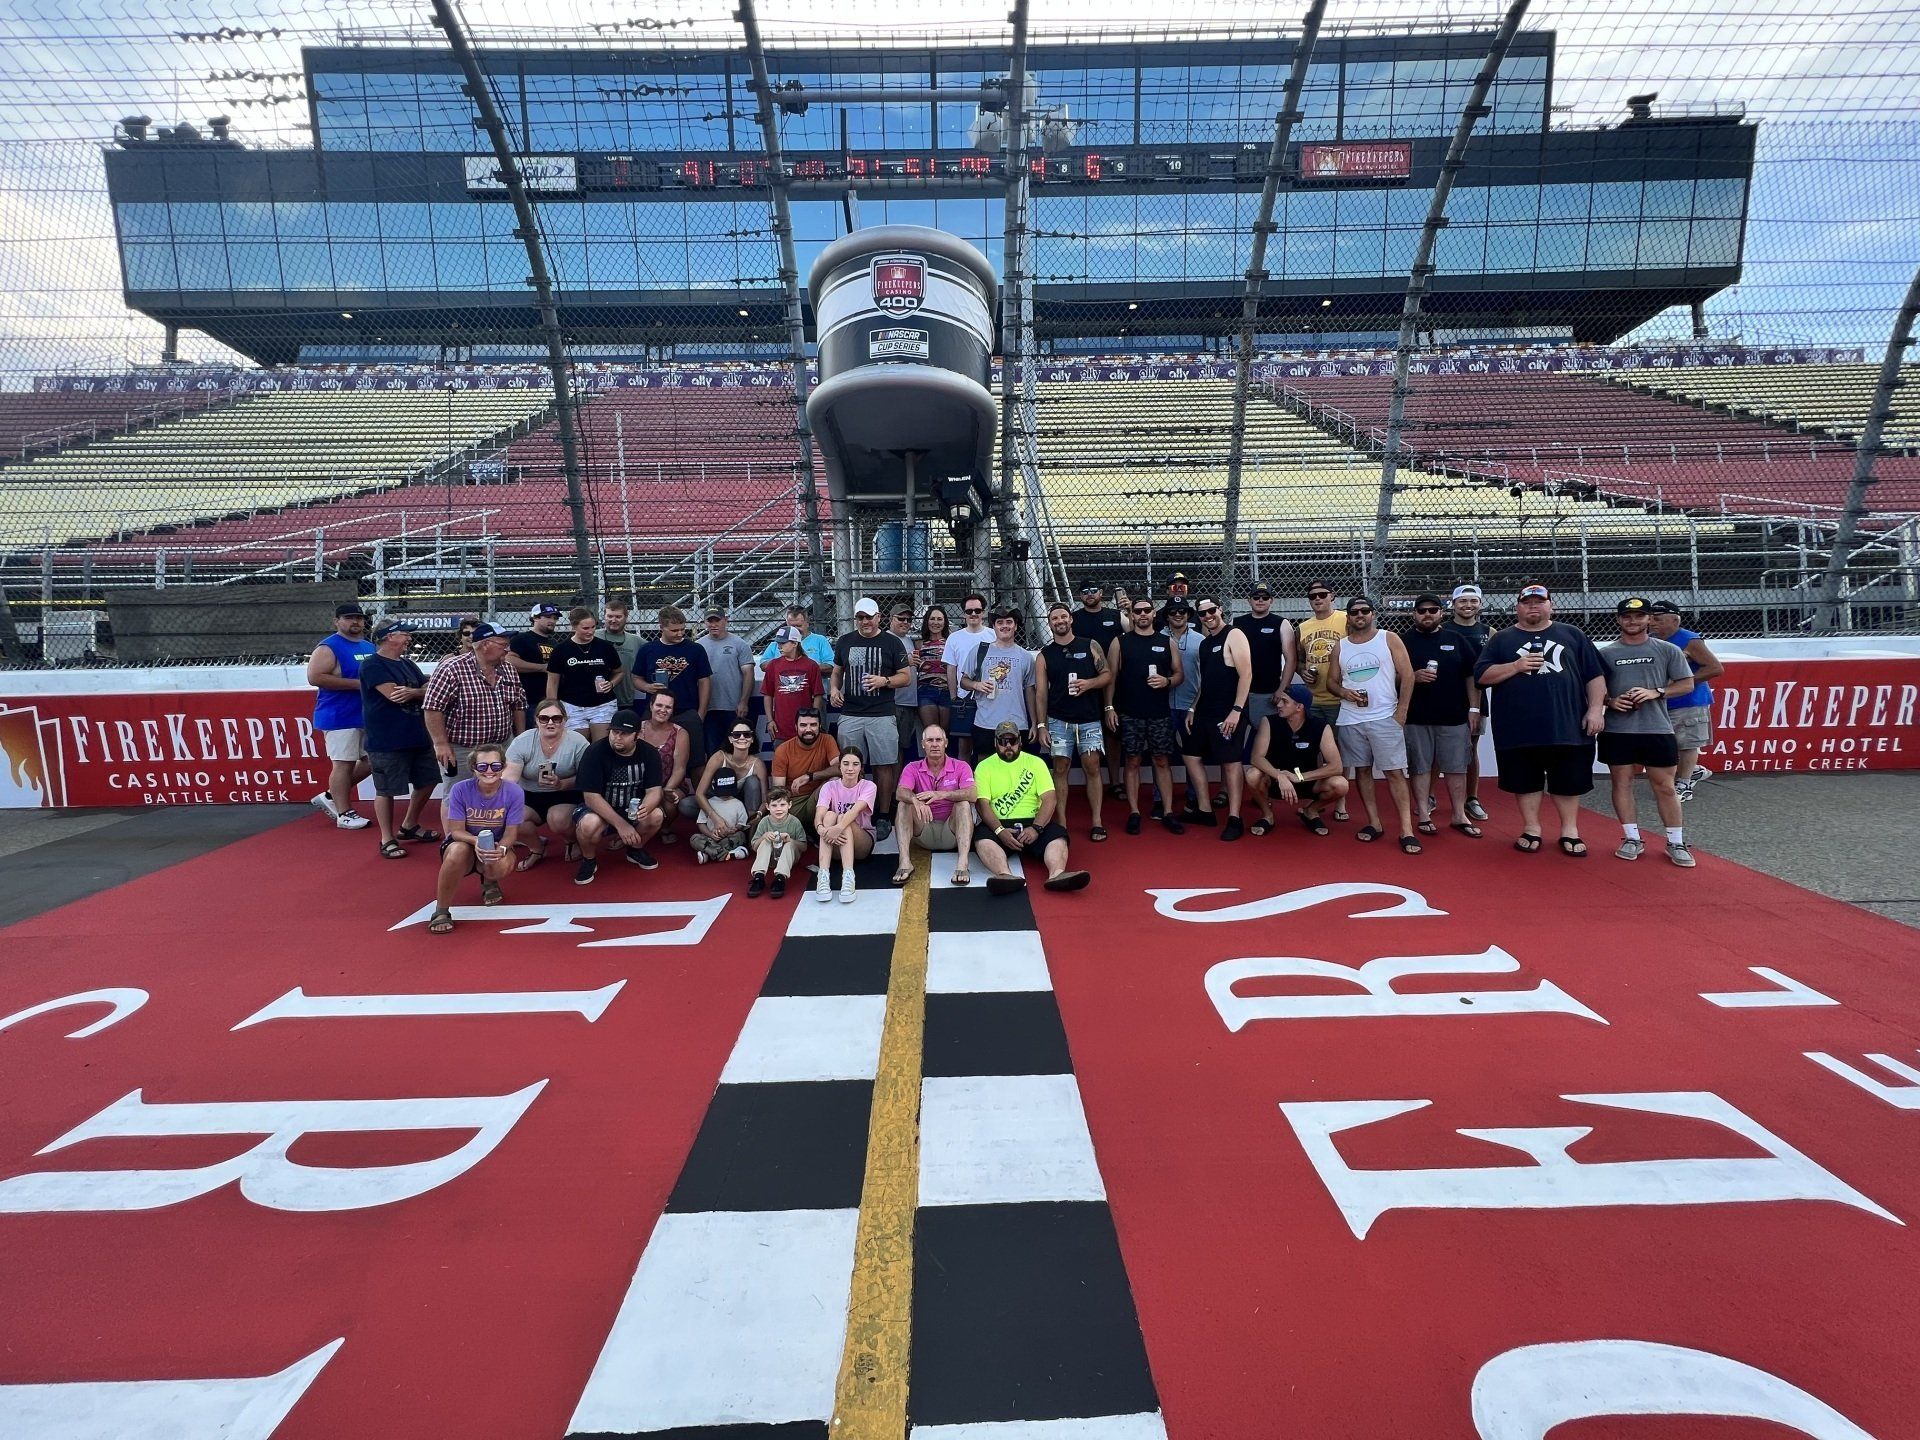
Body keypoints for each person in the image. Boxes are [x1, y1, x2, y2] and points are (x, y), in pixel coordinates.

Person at [1473, 583, 1608, 856]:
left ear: (1551, 605)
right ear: (1517, 607)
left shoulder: (1572, 634)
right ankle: (1531, 827)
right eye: (1527, 602)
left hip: (1567, 724)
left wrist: (1595, 709)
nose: (1533, 606)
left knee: (1568, 781)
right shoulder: (1502, 639)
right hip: (1517, 727)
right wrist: (1515, 666)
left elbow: (1595, 675)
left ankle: (1570, 830)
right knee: (1525, 781)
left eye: (1539, 601)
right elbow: (1481, 676)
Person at [1600, 597, 1697, 868]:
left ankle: (1676, 842)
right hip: (1618, 729)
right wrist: (1611, 702)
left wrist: (1657, 692)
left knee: (1665, 786)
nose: (1633, 621)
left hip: (1657, 728)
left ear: (1649, 619)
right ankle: (1631, 838)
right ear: (1619, 619)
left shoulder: (1667, 650)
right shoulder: (1606, 653)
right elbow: (1596, 690)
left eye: (1640, 616)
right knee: (1622, 783)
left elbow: (1687, 684)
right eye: (1628, 617)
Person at [1327, 596, 1419, 851]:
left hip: (1384, 717)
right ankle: (1374, 823)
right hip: (1350, 718)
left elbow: (1408, 675)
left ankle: (1406, 830)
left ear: (1373, 613)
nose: (1360, 615)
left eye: (1364, 610)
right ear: (1348, 616)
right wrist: (1344, 693)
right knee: (1362, 771)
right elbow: (1331, 682)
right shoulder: (1340, 646)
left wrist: (1401, 711)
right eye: (1354, 611)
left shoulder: (1388, 638)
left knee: (1394, 772)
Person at [972, 720, 1090, 895]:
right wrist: (999, 831)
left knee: (1058, 835)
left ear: (1020, 741)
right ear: (995, 743)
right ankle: (1005, 876)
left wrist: (1036, 828)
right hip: (999, 824)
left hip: (1033, 821)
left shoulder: (1036, 763)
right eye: (1003, 742)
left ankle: (1057, 875)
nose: (1008, 746)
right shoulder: (983, 767)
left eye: (1012, 741)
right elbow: (982, 804)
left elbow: (1050, 798)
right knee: (982, 837)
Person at [1401, 592, 1484, 839]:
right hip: (1416, 716)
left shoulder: (1456, 639)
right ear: (1414, 614)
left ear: (1441, 613)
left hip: (1454, 716)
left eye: (1433, 610)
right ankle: (1424, 814)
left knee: (1457, 767)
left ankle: (1459, 815)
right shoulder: (1403, 641)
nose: (1427, 614)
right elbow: (1392, 676)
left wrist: (1474, 708)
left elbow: (1472, 676)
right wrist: (1412, 677)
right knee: (1420, 767)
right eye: (1422, 610)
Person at [359, 618, 440, 858]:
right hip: (386, 738)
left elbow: (430, 688)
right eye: (404, 634)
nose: (409, 638)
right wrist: (420, 692)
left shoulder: (407, 664)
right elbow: (395, 695)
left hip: (417, 734)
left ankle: (409, 825)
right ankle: (387, 838)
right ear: (389, 636)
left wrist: (415, 692)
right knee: (386, 790)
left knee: (428, 780)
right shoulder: (372, 665)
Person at [829, 597, 913, 828]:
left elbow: (905, 677)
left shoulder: (892, 643)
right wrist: (834, 689)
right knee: (850, 765)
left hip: (882, 713)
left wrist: (884, 680)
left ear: (879, 617)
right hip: (851, 713)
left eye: (869, 617)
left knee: (884, 765)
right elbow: (837, 671)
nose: (865, 621)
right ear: (855, 619)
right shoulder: (845, 641)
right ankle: (852, 812)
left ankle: (883, 814)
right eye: (860, 617)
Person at [1109, 593, 1186, 835]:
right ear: (1131, 615)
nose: (1142, 614)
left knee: (1161, 761)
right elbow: (1110, 678)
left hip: (1159, 713)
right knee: (1131, 761)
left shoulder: (1167, 642)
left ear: (1154, 614)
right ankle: (1134, 812)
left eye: (1146, 610)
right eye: (1137, 611)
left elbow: (1179, 675)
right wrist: (1109, 707)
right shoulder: (1120, 642)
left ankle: (1168, 812)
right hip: (1129, 713)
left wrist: (1167, 681)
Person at [427, 742, 522, 934]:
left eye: (495, 766)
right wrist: (476, 842)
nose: (489, 771)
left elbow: (511, 833)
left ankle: (489, 881)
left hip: (496, 843)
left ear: (503, 767)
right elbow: (456, 831)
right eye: (482, 766)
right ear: (473, 768)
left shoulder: (514, 791)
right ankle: (441, 910)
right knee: (457, 851)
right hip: (465, 842)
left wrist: (500, 849)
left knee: (498, 864)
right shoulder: (460, 789)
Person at [1036, 602, 1113, 839]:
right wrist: (1041, 726)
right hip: (1059, 721)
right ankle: (1061, 824)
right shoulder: (1044, 655)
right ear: (1049, 624)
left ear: (1071, 619)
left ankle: (1097, 821)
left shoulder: (1090, 645)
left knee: (1092, 767)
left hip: (1089, 719)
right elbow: (1041, 694)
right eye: (1054, 619)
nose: (1059, 621)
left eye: (1063, 617)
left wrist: (1089, 684)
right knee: (1060, 769)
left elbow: (1107, 674)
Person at [1180, 598, 1253, 839]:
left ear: (1220, 610)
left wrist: (1237, 710)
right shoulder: (1205, 644)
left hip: (1228, 711)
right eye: (1202, 613)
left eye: (1212, 610)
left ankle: (1235, 818)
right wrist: (1192, 708)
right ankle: (1204, 810)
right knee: (1190, 755)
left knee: (1231, 763)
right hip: (1204, 711)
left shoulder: (1235, 634)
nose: (1208, 616)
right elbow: (1206, 682)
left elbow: (1246, 675)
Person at [572, 707, 665, 885]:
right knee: (589, 823)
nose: (618, 737)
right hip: (599, 809)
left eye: (625, 733)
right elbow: (591, 797)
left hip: (631, 807)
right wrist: (621, 824)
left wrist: (646, 807)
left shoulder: (649, 753)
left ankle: (635, 850)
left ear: (637, 735)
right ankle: (589, 860)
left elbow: (654, 790)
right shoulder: (595, 752)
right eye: (615, 732)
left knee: (656, 815)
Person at [424, 621, 525, 781]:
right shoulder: (451, 668)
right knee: (457, 795)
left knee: (504, 792)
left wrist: (519, 740)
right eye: (503, 645)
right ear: (485, 645)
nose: (508, 649)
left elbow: (518, 705)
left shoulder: (509, 669)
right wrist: (441, 744)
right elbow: (432, 708)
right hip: (464, 749)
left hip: (502, 745)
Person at [307, 601, 375, 829]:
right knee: (343, 764)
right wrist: (358, 684)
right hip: (338, 716)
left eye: (358, 617)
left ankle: (330, 796)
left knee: (374, 761)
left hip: (365, 715)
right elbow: (315, 677)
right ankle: (344, 813)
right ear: (337, 622)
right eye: (348, 618)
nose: (355, 621)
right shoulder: (328, 647)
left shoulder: (368, 646)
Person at [1648, 600, 1725, 800]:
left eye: (1658, 619)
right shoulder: (1651, 639)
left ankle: (1684, 784)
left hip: (1689, 700)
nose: (1652, 623)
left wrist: (1684, 682)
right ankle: (1693, 771)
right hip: (1663, 699)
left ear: (1674, 620)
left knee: (1687, 743)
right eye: (1651, 619)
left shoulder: (1689, 640)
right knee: (1668, 743)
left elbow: (1715, 668)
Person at [1248, 689, 1350, 835]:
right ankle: (1267, 815)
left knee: (1341, 784)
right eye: (1280, 700)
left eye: (1285, 701)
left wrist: (1299, 777)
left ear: (1299, 707)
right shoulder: (1269, 721)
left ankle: (1311, 811)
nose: (1279, 705)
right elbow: (1256, 758)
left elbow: (1336, 767)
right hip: (1276, 781)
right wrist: (1280, 776)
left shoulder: (1320, 726)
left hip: (1307, 782)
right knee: (1252, 774)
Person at [504, 699, 588, 870]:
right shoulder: (522, 741)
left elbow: (587, 777)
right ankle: (536, 848)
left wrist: (562, 783)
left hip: (566, 793)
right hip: (530, 794)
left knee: (557, 820)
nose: (550, 723)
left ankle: (572, 840)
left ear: (565, 720)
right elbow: (509, 779)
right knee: (511, 817)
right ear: (536, 720)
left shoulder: (578, 742)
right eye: (544, 718)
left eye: (556, 718)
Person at [893, 724, 977, 885]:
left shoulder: (961, 766)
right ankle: (904, 863)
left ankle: (962, 863)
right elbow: (900, 792)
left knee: (963, 804)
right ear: (923, 744)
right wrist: (915, 800)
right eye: (930, 740)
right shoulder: (912, 767)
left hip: (951, 831)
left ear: (946, 742)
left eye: (938, 740)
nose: (935, 744)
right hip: (923, 829)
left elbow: (973, 794)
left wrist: (941, 794)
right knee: (904, 804)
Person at [637, 606, 713, 772]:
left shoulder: (695, 649)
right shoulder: (647, 649)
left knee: (696, 762)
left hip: (687, 712)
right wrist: (647, 687)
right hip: (655, 711)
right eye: (674, 630)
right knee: (646, 757)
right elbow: (635, 678)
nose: (680, 634)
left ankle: (698, 796)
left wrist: (700, 713)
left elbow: (704, 681)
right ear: (661, 628)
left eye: (682, 629)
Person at [958, 606, 1041, 757]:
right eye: (1000, 622)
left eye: (1009, 622)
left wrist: (1034, 723)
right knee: (985, 769)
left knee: (1015, 769)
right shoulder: (979, 650)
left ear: (1015, 626)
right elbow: (963, 681)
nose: (1005, 626)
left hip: (1017, 724)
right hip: (985, 723)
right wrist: (977, 685)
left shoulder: (1025, 656)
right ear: (994, 626)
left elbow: (1030, 691)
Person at [1443, 583, 1495, 822]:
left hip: (1477, 700)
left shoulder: (1490, 632)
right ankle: (1432, 798)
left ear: (1480, 604)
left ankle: (1471, 798)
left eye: (1473, 601)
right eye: (1463, 601)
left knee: (1470, 748)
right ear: (1453, 604)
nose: (1468, 605)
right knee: (1438, 751)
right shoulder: (1442, 629)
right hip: (1446, 698)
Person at [684, 720, 767, 864]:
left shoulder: (757, 764)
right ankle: (723, 848)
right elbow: (699, 793)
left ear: (752, 738)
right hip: (716, 802)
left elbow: (766, 800)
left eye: (746, 734)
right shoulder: (719, 757)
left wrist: (758, 814)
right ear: (730, 738)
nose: (742, 738)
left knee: (753, 783)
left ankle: (745, 835)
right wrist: (716, 818)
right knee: (686, 805)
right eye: (737, 734)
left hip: (742, 810)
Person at [545, 606, 625, 740]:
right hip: (572, 705)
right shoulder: (561, 650)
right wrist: (553, 708)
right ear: (574, 627)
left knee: (601, 746)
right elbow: (553, 681)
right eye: (585, 628)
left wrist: (611, 684)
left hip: (602, 704)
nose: (590, 632)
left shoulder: (605, 647)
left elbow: (619, 672)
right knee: (578, 746)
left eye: (593, 627)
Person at [813, 747, 877, 903]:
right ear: (839, 766)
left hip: (862, 842)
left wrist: (837, 828)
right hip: (835, 842)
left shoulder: (868, 786)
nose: (850, 768)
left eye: (855, 764)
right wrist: (821, 829)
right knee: (828, 816)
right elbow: (819, 815)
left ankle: (848, 877)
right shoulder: (829, 786)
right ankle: (823, 875)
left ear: (861, 767)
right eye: (846, 763)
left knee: (843, 817)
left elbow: (855, 811)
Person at [699, 606, 755, 761]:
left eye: (717, 620)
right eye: (710, 621)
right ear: (705, 623)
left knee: (737, 749)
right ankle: (716, 782)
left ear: (725, 620)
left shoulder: (740, 644)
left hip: (733, 708)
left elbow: (748, 672)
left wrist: (743, 701)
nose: (713, 624)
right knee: (713, 751)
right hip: (708, 709)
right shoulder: (698, 646)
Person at [771, 708, 841, 831]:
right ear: (796, 727)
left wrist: (810, 776)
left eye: (813, 725)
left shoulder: (827, 740)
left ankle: (825, 830)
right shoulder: (783, 750)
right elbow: (779, 790)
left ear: (820, 726)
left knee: (835, 781)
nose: (808, 729)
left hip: (819, 798)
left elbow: (840, 769)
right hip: (794, 802)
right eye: (803, 725)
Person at [942, 592, 992, 760]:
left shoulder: (993, 635)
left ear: (983, 612)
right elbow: (951, 668)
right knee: (964, 745)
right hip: (965, 698)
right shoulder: (954, 638)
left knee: (986, 746)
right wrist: (953, 696)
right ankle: (964, 784)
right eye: (969, 611)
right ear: (964, 614)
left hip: (990, 698)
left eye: (977, 610)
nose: (973, 614)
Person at [638, 690, 691, 844]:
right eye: (659, 705)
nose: (663, 710)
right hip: (640, 785)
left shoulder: (680, 733)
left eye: (668, 707)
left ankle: (665, 828)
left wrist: (666, 789)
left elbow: (680, 769)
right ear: (650, 705)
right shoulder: (637, 729)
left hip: (670, 784)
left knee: (670, 801)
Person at [762, 624, 826, 744]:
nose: (779, 646)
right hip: (780, 726)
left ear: (795, 643)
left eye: (783, 643)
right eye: (778, 643)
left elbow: (818, 695)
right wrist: (770, 720)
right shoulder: (773, 665)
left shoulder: (811, 665)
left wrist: (814, 720)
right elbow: (767, 694)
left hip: (805, 727)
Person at [508, 602, 563, 724]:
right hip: (529, 699)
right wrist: (542, 668)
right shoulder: (522, 639)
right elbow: (510, 661)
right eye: (548, 617)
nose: (552, 621)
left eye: (555, 618)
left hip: (549, 699)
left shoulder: (553, 642)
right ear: (535, 618)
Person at [747, 788, 807, 898]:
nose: (778, 809)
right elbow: (754, 846)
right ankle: (758, 877)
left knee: (789, 844)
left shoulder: (794, 822)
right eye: (774, 806)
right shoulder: (764, 822)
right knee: (765, 841)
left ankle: (780, 878)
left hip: (788, 859)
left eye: (782, 805)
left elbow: (803, 846)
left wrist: (790, 840)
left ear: (789, 805)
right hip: (770, 859)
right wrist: (764, 837)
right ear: (767, 807)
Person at [916, 604, 954, 741]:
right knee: (931, 734)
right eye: (932, 619)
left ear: (945, 622)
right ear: (927, 621)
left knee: (944, 736)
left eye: (939, 619)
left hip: (946, 692)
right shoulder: (919, 644)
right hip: (926, 692)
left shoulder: (951, 643)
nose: (936, 622)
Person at [759, 603, 836, 670]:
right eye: (792, 626)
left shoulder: (820, 640)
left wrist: (804, 666)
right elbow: (763, 665)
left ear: (807, 623)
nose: (795, 629)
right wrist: (785, 664)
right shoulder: (778, 642)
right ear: (787, 624)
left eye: (799, 626)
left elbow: (831, 666)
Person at [890, 604, 922, 764]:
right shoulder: (885, 639)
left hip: (910, 703)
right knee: (894, 750)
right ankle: (891, 789)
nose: (905, 622)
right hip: (895, 703)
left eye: (909, 619)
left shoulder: (909, 640)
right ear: (890, 619)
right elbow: (881, 667)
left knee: (902, 748)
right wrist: (905, 661)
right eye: (900, 618)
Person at [602, 595, 642, 708]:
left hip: (627, 699)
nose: (613, 620)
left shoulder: (637, 641)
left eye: (618, 616)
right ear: (604, 616)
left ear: (626, 617)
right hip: (597, 701)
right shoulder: (593, 637)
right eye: (610, 616)